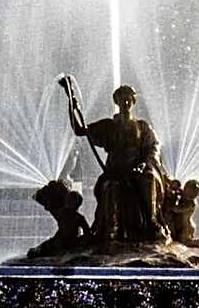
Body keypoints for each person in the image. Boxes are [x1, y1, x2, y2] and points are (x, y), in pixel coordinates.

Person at [65, 84, 171, 244]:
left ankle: (152, 222)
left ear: (134, 101)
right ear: (117, 102)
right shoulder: (108, 126)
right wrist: (71, 103)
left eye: (129, 100)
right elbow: (80, 130)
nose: (126, 103)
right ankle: (111, 229)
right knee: (111, 187)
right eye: (122, 100)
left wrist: (144, 163)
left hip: (138, 169)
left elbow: (154, 147)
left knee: (148, 179)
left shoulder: (143, 127)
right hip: (114, 172)